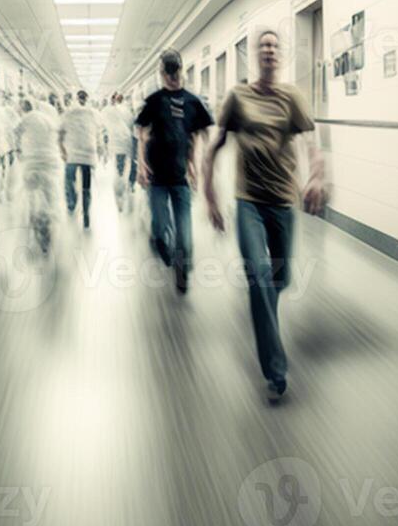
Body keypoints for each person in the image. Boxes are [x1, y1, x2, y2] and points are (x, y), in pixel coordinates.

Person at [204, 29, 326, 403]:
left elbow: (310, 142)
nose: (269, 50)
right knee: (259, 276)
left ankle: (263, 315)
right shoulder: (238, 97)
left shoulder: (293, 97)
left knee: (280, 278)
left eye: (274, 45)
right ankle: (275, 370)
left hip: (283, 201)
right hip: (249, 202)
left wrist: (317, 175)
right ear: (255, 56)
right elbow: (215, 147)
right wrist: (209, 196)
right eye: (263, 46)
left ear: (281, 54)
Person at [136, 50, 215, 293]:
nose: (171, 76)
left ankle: (182, 270)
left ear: (182, 70)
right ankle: (160, 241)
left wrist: (195, 161)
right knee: (160, 227)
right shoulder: (154, 101)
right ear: (161, 73)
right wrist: (140, 163)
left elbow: (199, 134)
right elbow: (141, 131)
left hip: (181, 177)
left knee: (185, 234)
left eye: (175, 71)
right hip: (157, 177)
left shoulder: (193, 102)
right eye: (167, 72)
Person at [15, 96, 64, 252]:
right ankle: (47, 221)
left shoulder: (25, 119)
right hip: (50, 161)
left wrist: (18, 150)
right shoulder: (48, 119)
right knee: (50, 195)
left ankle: (33, 218)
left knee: (30, 191)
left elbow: (15, 133)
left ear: (24, 109)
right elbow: (57, 137)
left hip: (32, 161)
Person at [60, 89, 103, 229]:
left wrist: (62, 150)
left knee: (69, 179)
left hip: (72, 153)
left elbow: (60, 133)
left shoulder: (68, 112)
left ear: (75, 98)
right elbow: (98, 134)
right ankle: (86, 214)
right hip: (88, 154)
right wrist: (100, 149)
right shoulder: (93, 113)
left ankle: (72, 202)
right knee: (86, 186)